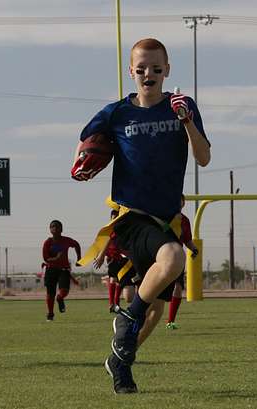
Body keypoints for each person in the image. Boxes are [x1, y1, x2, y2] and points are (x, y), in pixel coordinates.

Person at [76, 38, 210, 393]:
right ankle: (128, 316)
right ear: (130, 72)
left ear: (167, 70)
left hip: (166, 218)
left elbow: (204, 157)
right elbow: (86, 143)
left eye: (155, 68)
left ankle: (120, 363)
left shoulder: (182, 107)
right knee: (174, 257)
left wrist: (186, 122)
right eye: (141, 68)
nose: (148, 74)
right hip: (132, 218)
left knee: (155, 312)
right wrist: (86, 159)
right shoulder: (117, 112)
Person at [166, 194, 199, 330]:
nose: (179, 203)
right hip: (163, 255)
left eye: (181, 200)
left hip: (177, 256)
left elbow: (187, 239)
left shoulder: (185, 220)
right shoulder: (164, 216)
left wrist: (194, 249)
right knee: (157, 288)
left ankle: (170, 321)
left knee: (178, 287)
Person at [94, 210, 136, 311]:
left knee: (128, 296)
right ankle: (112, 304)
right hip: (113, 260)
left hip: (127, 262)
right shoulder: (108, 231)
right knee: (113, 280)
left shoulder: (127, 229)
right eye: (113, 218)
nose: (114, 220)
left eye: (116, 218)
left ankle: (118, 303)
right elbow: (101, 244)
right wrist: (101, 256)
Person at [42, 220, 81, 321]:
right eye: (52, 227)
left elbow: (76, 244)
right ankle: (50, 314)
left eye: (57, 226)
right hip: (51, 270)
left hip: (63, 269)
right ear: (50, 229)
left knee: (64, 290)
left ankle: (60, 298)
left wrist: (79, 258)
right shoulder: (48, 242)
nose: (55, 228)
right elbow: (46, 258)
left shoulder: (66, 240)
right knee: (50, 293)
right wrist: (56, 258)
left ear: (61, 229)